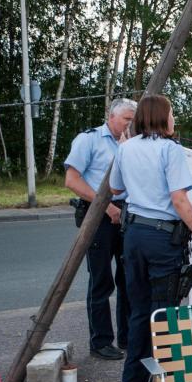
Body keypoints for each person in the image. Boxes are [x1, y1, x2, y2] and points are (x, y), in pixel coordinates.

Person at [109, 94, 192, 382]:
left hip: (133, 236)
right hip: (162, 237)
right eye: (170, 113)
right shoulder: (170, 150)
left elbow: (115, 187)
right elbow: (179, 199)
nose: (173, 119)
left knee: (139, 308)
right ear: (160, 117)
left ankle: (132, 381)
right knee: (166, 309)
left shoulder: (125, 148)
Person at [64, 98, 136, 361]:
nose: (130, 124)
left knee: (129, 279)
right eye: (127, 119)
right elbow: (71, 180)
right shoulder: (89, 139)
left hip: (127, 213)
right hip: (98, 215)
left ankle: (128, 337)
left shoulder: (133, 142)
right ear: (112, 116)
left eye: (133, 120)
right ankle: (101, 341)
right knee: (101, 281)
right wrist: (106, 207)